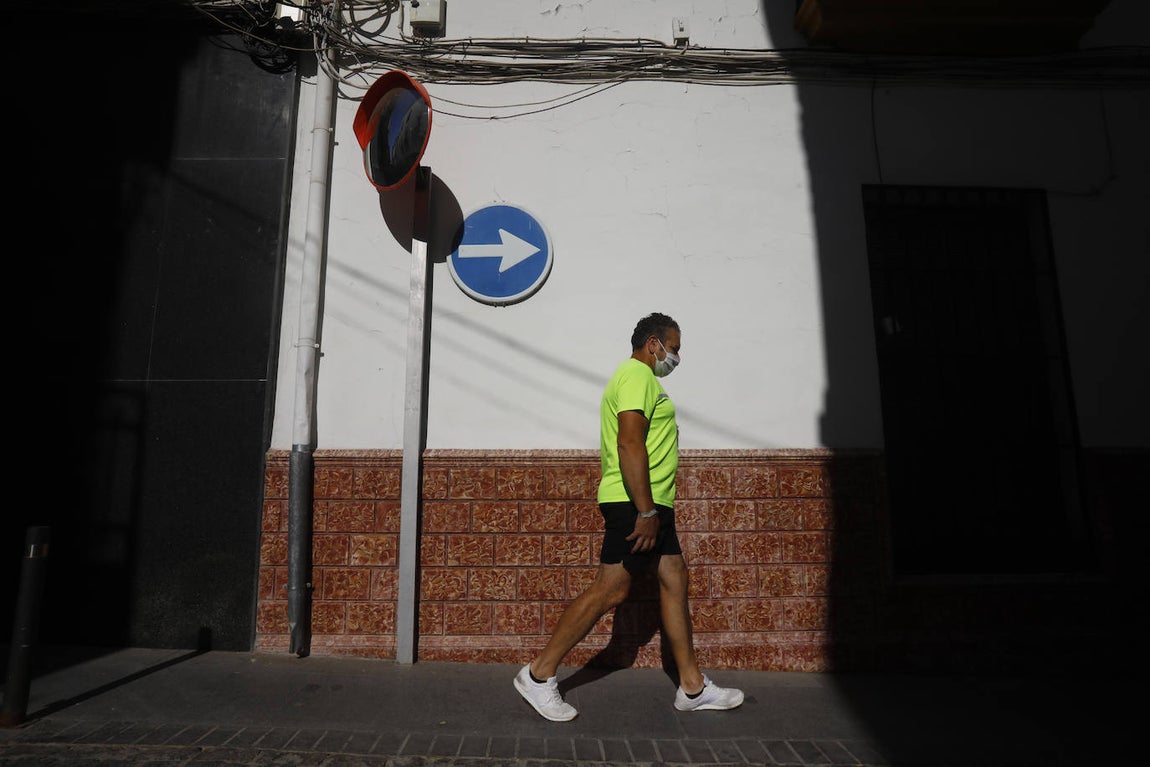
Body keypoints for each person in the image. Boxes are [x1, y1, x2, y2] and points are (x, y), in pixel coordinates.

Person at [513, 312, 744, 721]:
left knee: (674, 577)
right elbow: (630, 444)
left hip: (649, 503)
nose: (675, 357)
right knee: (611, 590)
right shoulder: (637, 376)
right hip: (634, 503)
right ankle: (538, 673)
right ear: (653, 344)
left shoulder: (642, 380)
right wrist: (645, 511)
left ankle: (691, 688)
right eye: (673, 348)